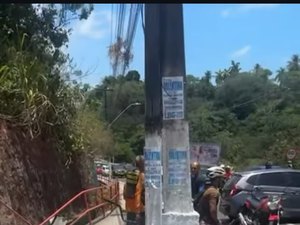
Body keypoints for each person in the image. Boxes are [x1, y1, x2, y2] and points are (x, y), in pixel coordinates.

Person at [123, 155, 145, 225]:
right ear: (142, 164)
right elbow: (139, 193)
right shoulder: (141, 176)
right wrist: (138, 211)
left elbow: (124, 192)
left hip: (129, 208)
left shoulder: (131, 174)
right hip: (138, 210)